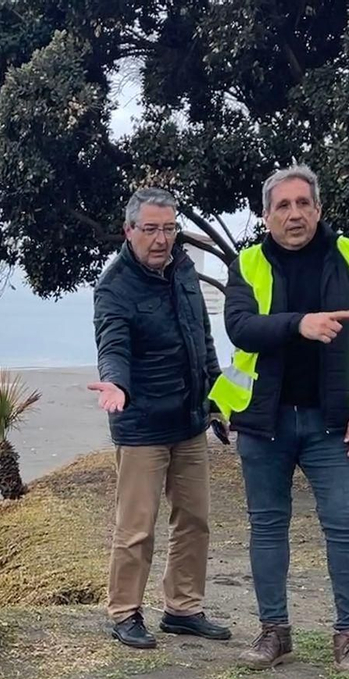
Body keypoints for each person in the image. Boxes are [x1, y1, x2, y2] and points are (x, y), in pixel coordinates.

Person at [210, 164, 349, 671]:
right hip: (263, 421)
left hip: (333, 422)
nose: (294, 214)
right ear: (266, 216)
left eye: (303, 204)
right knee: (267, 528)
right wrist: (302, 324)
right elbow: (241, 328)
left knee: (345, 527)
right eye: (282, 206)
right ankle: (275, 631)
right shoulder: (247, 263)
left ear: (318, 209)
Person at [89, 186, 231, 650]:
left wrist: (216, 398)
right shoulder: (115, 286)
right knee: (137, 526)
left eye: (169, 229)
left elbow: (202, 340)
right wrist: (117, 384)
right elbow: (114, 346)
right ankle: (124, 612)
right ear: (130, 231)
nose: (161, 239)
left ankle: (183, 609)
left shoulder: (185, 271)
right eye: (150, 229)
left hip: (189, 420)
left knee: (194, 518)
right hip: (142, 423)